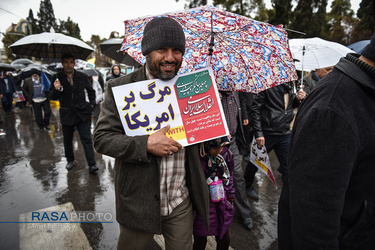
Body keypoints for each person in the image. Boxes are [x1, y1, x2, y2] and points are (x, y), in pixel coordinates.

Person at [93, 17, 209, 249]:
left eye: (176, 50)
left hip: (179, 201)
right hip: (138, 202)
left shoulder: (192, 87)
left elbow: (198, 135)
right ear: (146, 51)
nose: (169, 57)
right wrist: (145, 144)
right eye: (161, 49)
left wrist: (212, 135)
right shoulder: (120, 88)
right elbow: (102, 138)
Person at [278, 35, 375, 249]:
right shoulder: (332, 109)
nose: (330, 71)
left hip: (283, 127)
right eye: (327, 69)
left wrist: (297, 99)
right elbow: (313, 222)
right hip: (272, 129)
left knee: (287, 170)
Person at [49, 53, 98, 174]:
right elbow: (52, 97)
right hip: (67, 113)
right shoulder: (57, 77)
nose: (69, 65)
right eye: (66, 62)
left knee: (86, 139)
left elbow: (91, 91)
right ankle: (70, 160)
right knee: (67, 140)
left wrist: (91, 104)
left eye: (71, 62)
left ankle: (92, 164)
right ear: (62, 63)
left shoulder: (81, 76)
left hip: (82, 113)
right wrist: (56, 89)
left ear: (74, 63)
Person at [249, 82, 306, 184]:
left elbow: (288, 106)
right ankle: (247, 185)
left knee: (288, 167)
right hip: (268, 133)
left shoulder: (290, 87)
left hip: (285, 133)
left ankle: (287, 196)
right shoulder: (267, 86)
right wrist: (259, 133)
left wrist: (298, 100)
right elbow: (255, 110)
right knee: (255, 162)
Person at [193, 136, 235, 250]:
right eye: (216, 148)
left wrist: (230, 196)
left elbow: (230, 176)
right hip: (203, 205)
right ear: (206, 145)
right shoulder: (197, 157)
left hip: (221, 203)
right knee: (200, 239)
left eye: (222, 147)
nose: (219, 151)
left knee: (224, 238)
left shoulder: (226, 154)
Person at [220, 90, 254, 230]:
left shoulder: (236, 91)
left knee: (238, 177)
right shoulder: (210, 89)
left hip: (232, 141)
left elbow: (243, 103)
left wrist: (244, 115)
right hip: (213, 143)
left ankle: (244, 214)